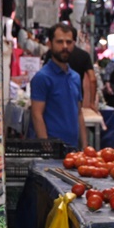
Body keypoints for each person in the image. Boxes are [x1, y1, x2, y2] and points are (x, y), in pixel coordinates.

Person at [29, 22, 87, 151]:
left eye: (69, 42)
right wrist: (47, 150)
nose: (65, 46)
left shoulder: (75, 77)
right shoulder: (42, 78)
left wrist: (85, 147)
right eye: (60, 42)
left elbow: (78, 113)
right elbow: (36, 115)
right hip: (52, 152)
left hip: (73, 150)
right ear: (50, 44)